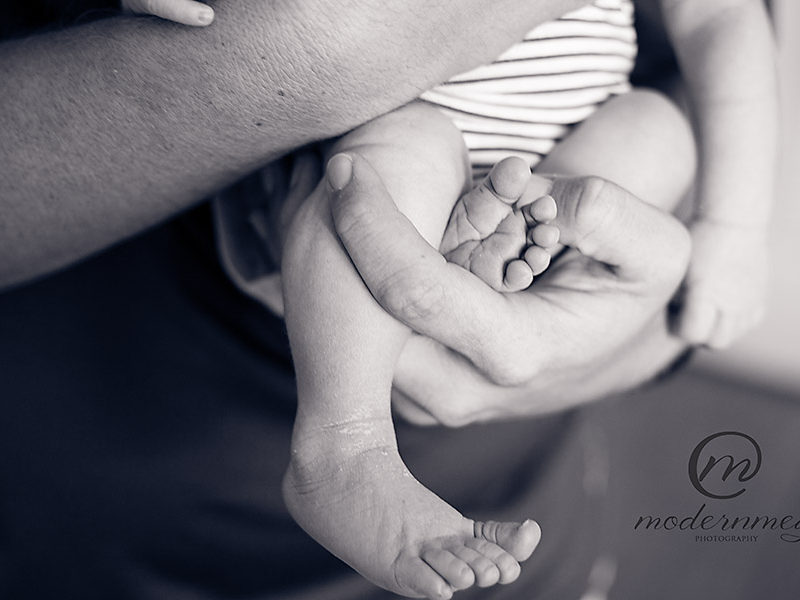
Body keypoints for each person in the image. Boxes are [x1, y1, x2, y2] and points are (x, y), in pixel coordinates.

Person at [1, 1, 698, 599]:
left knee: (659, 128)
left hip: (513, 448)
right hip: (137, 484)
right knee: (382, 172)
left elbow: (725, 33)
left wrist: (720, 255)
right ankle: (345, 447)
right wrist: (315, 52)